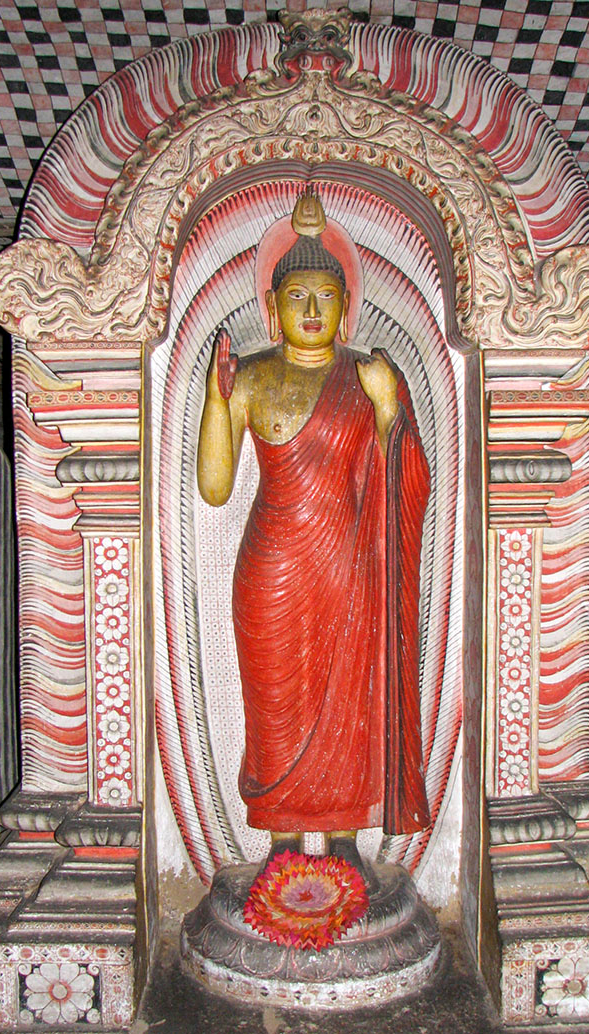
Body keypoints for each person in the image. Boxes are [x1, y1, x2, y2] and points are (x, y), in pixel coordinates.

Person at [197, 190, 430, 869]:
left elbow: (410, 479)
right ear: (272, 308)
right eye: (295, 296)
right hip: (272, 570)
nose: (309, 311)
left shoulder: (368, 374)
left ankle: (347, 841)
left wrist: (391, 411)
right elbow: (214, 488)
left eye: (323, 298)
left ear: (344, 305)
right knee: (276, 712)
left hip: (349, 569)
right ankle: (283, 841)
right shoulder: (250, 378)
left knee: (352, 706)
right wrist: (217, 403)